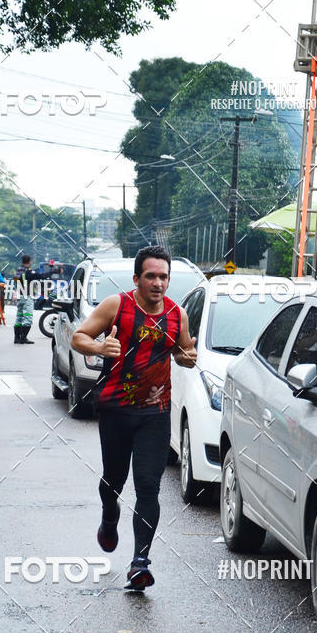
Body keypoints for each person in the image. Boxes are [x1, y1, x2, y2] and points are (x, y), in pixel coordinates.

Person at [71, 245, 197, 591]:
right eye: (151, 276)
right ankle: (109, 515)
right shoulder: (117, 305)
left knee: (148, 485)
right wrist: (99, 348)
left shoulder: (177, 314)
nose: (158, 283)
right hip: (115, 409)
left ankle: (140, 561)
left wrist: (188, 357)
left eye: (163, 277)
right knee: (113, 481)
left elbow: (185, 353)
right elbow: (79, 336)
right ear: (137, 279)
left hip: (155, 413)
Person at [13, 254, 38, 344]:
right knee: (28, 317)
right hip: (27, 295)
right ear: (29, 262)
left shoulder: (18, 270)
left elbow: (15, 282)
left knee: (19, 316)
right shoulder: (29, 271)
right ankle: (23, 338)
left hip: (20, 295)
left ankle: (16, 338)